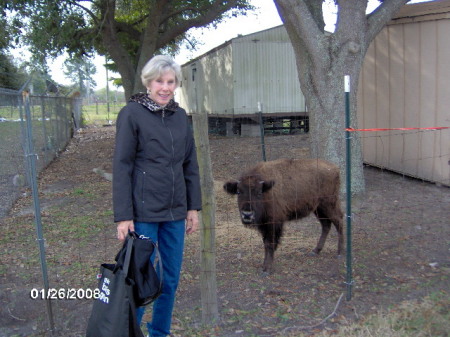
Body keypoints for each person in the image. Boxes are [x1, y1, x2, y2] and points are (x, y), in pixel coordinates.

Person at [112, 55, 202, 337]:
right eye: (159, 81)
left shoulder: (179, 116)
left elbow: (190, 164)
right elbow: (122, 166)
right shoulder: (132, 114)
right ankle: (130, 332)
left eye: (170, 82)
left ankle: (159, 332)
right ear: (148, 83)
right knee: (139, 279)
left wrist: (193, 207)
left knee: (170, 279)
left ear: (176, 84)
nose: (165, 87)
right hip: (143, 213)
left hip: (175, 212)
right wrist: (124, 216)